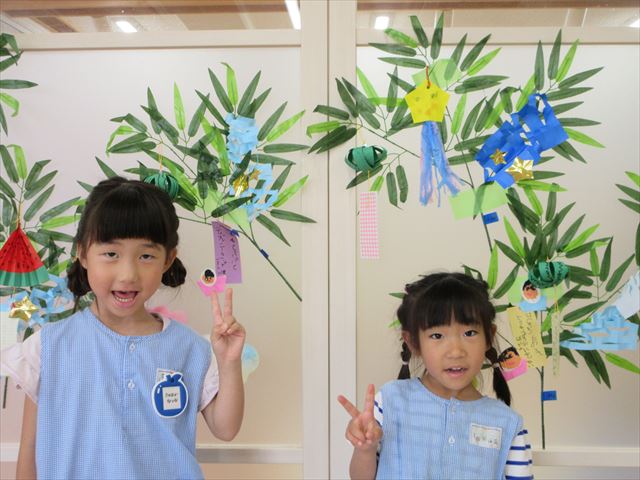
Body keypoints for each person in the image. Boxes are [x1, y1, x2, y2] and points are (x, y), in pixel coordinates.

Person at [1, 177, 246, 479]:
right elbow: (30, 449)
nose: (128, 274)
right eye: (111, 254)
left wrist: (229, 361)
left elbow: (226, 428)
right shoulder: (49, 346)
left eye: (146, 256)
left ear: (168, 259)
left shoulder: (190, 348)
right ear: (83, 253)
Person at [338, 272, 533, 480]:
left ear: (489, 337)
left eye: (469, 333)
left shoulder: (508, 423)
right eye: (437, 335)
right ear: (413, 342)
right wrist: (365, 449)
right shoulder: (390, 401)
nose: (456, 351)